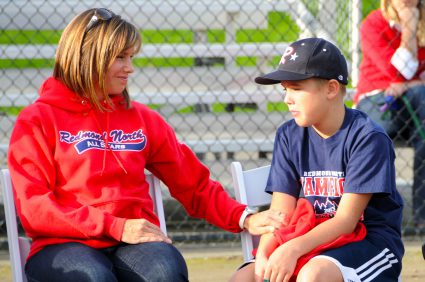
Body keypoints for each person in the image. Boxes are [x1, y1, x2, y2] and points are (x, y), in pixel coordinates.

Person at [6, 8, 285, 282]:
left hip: (133, 243)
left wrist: (242, 217)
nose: (130, 68)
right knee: (92, 277)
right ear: (88, 57)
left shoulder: (143, 119)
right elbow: (36, 208)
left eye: (131, 57)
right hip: (63, 243)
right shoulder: (37, 120)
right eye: (120, 57)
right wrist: (117, 226)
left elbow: (193, 184)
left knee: (165, 270)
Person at [229, 37, 404, 282]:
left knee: (312, 275)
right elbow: (281, 214)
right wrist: (266, 255)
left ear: (331, 88)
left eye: (297, 88)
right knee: (245, 278)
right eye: (285, 89)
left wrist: (292, 249)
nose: (287, 98)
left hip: (369, 243)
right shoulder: (289, 135)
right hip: (307, 238)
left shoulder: (367, 138)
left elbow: (345, 221)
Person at [354, 0, 425, 230]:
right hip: (378, 100)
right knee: (375, 139)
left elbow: (402, 78)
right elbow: (396, 72)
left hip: (417, 103)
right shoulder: (373, 23)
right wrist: (409, 29)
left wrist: (408, 83)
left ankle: (422, 217)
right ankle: (374, 218)